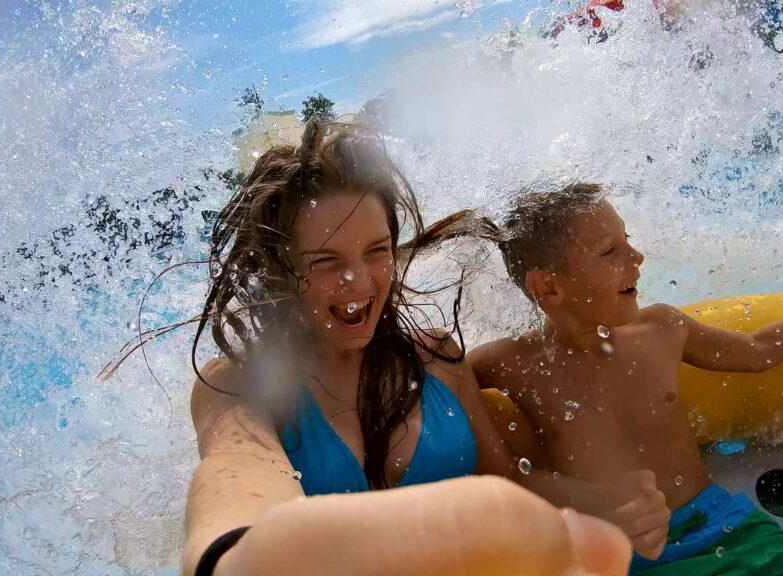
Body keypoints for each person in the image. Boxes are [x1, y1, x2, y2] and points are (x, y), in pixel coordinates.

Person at [179, 121, 634, 576]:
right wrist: (238, 556)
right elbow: (235, 476)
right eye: (325, 262)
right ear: (281, 270)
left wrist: (614, 504)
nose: (359, 281)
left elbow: (508, 476)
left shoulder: (436, 357)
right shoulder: (237, 386)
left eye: (376, 252)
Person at [470, 182, 783, 575]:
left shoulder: (661, 330)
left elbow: (758, 351)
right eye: (610, 251)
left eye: (628, 240)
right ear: (548, 286)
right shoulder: (514, 364)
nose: (637, 257)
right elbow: (435, 380)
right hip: (623, 552)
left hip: (722, 527)